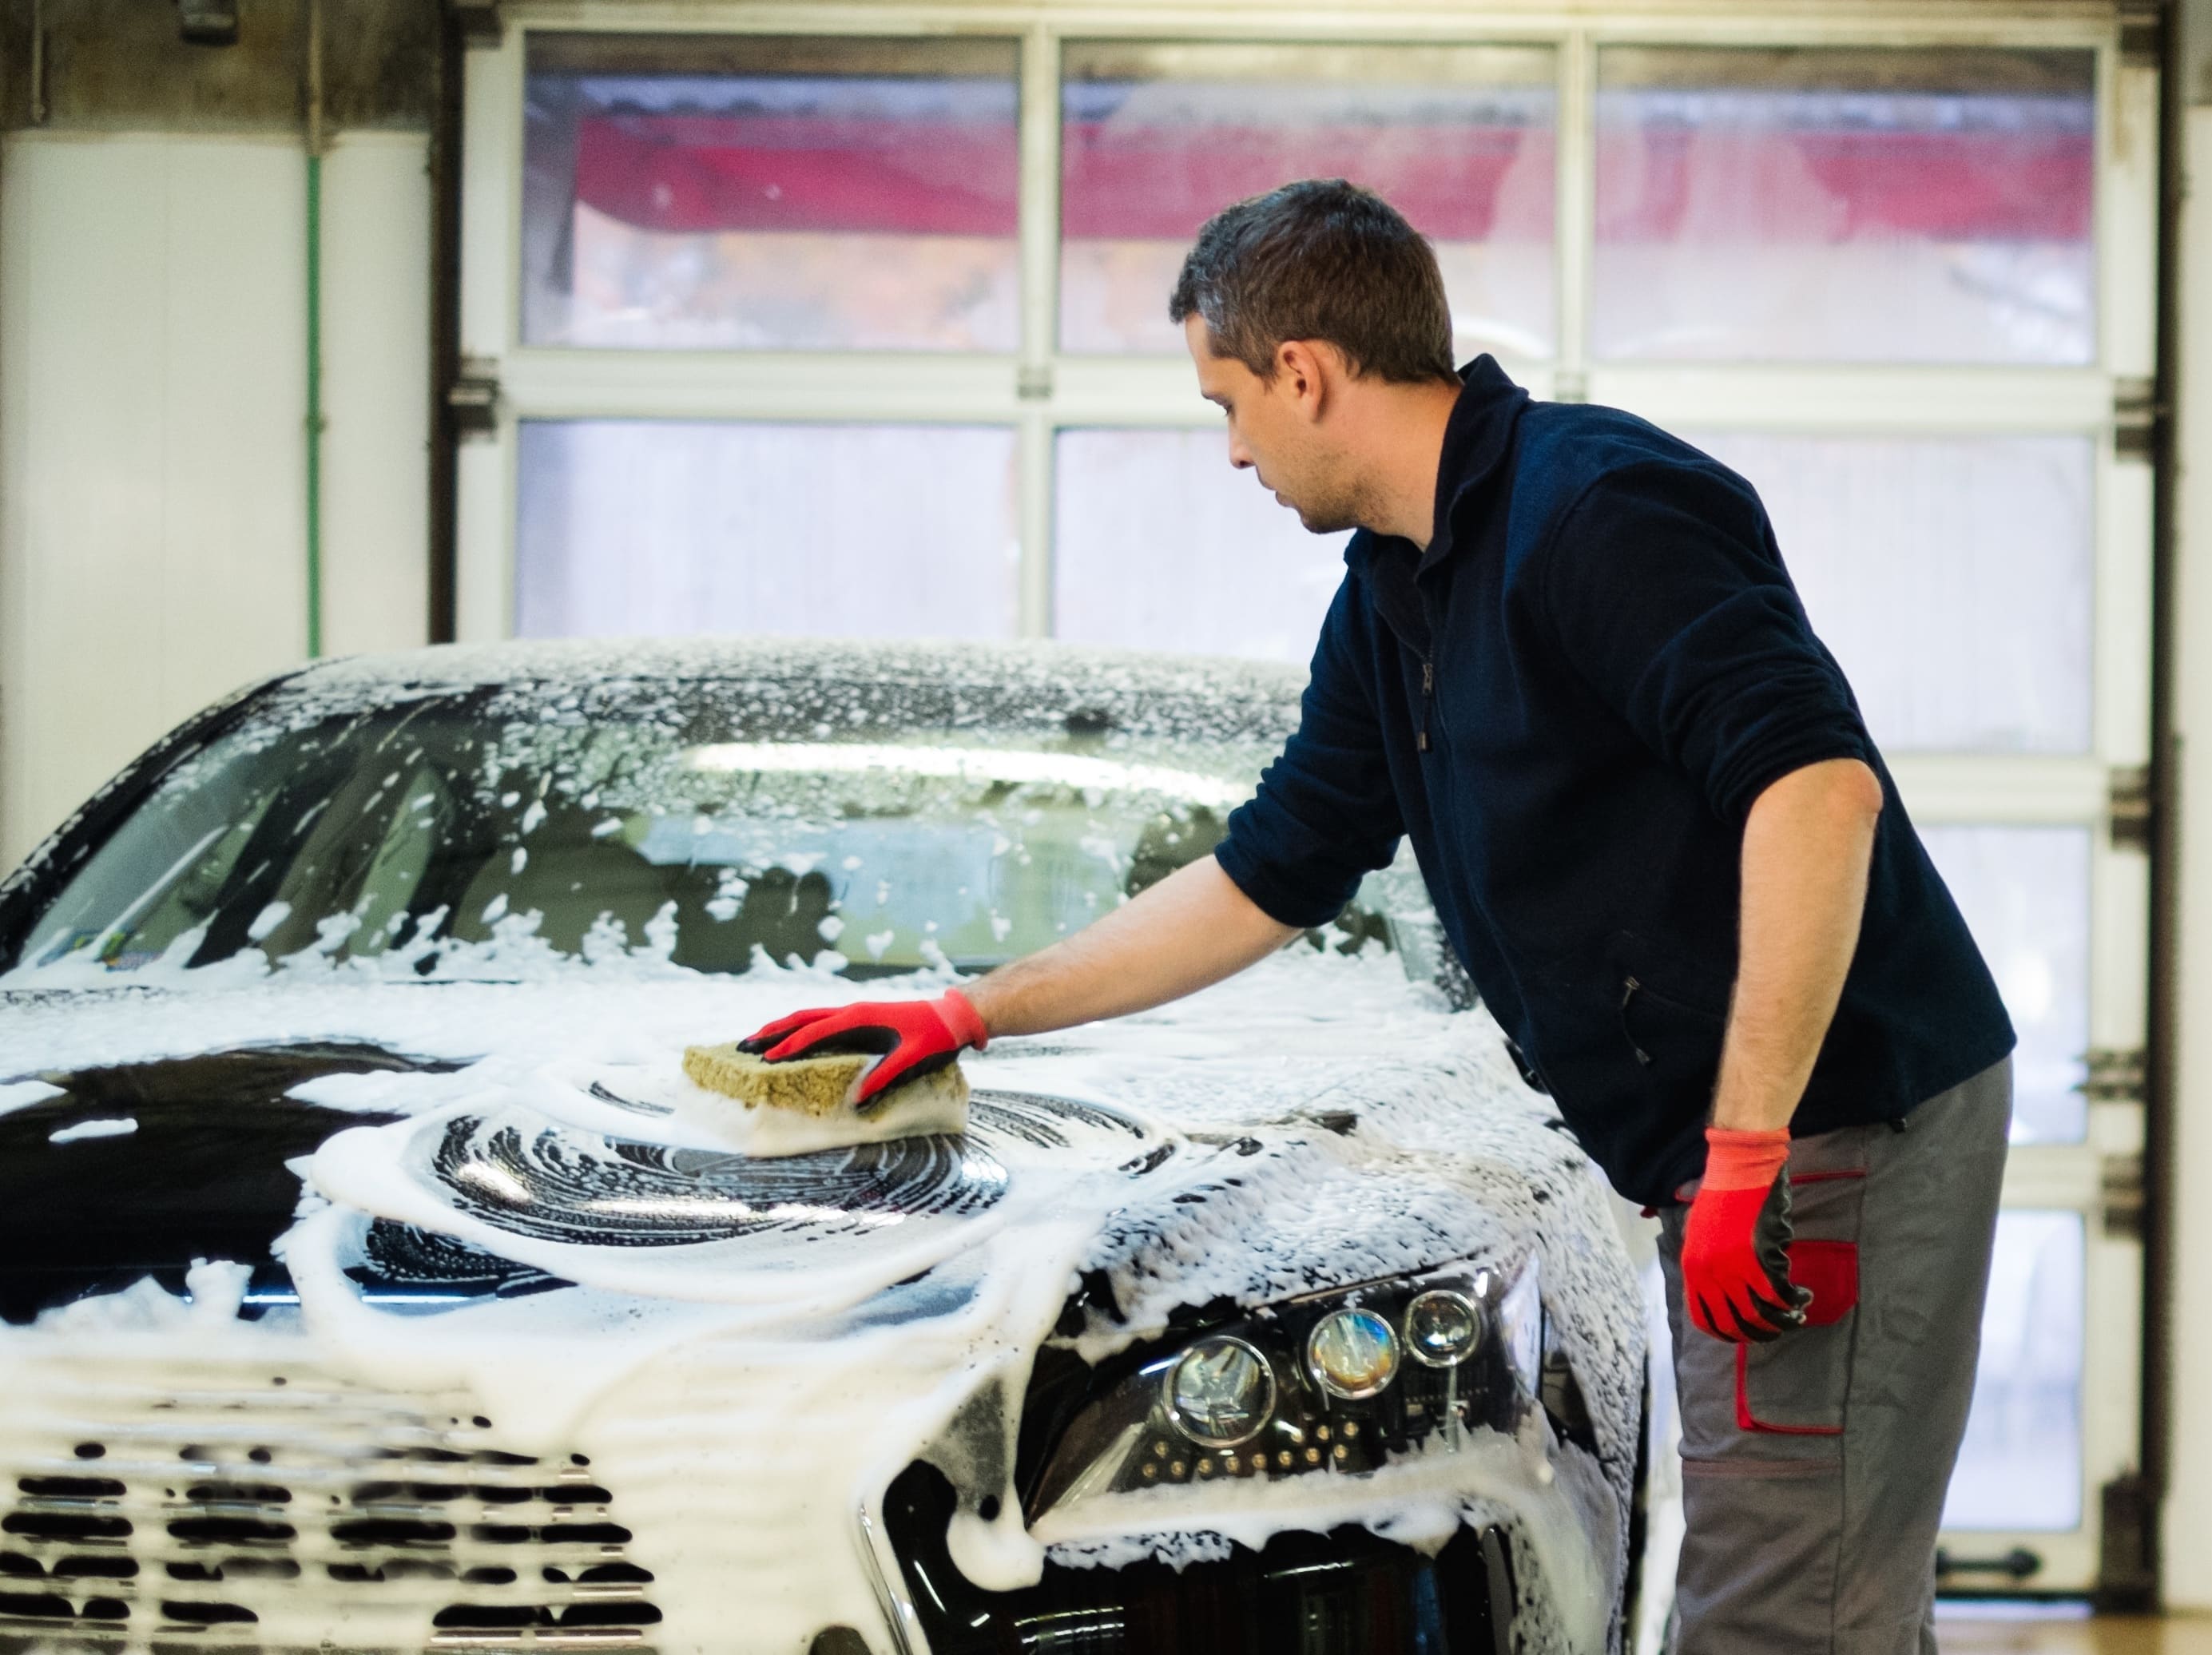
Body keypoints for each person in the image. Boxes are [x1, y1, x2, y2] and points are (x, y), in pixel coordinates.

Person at [744, 178, 2015, 1653]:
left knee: (1782, 1609)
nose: (1230, 450)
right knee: (1822, 1572)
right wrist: (971, 1010)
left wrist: (1745, 1155)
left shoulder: (1596, 508)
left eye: (1226, 401)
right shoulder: (1394, 593)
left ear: (1305, 372)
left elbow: (1813, 794)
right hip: (1749, 1141)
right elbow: (1266, 874)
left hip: (1834, 1129)